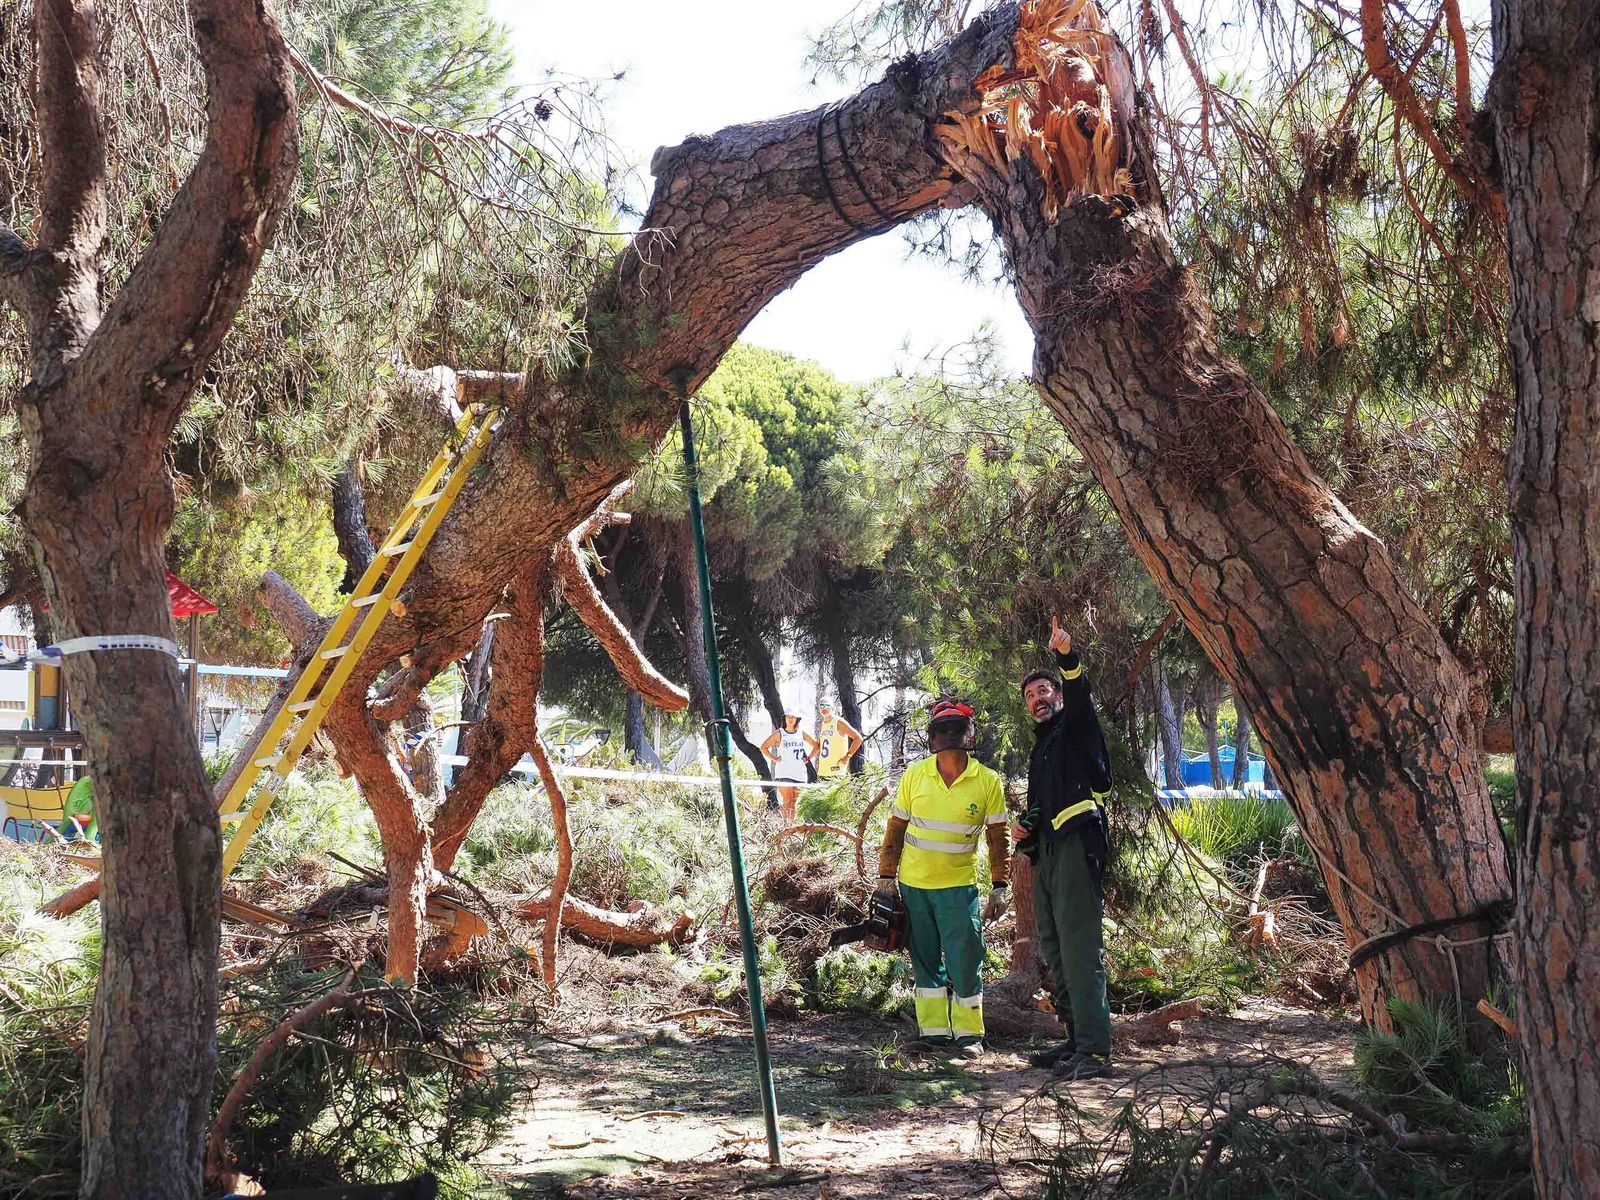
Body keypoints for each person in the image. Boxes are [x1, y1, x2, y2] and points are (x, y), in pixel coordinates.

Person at [876, 698, 1011, 1057]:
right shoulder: (915, 775)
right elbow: (895, 829)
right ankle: (934, 1033)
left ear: (969, 734)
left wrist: (1000, 885)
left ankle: (969, 1036)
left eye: (957, 728)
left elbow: (998, 837)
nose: (950, 735)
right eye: (943, 729)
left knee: (965, 960)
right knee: (924, 963)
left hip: (958, 889)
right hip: (915, 888)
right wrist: (886, 877)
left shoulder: (987, 781)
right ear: (932, 738)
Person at [1017, 616, 1115, 1080]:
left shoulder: (1075, 726)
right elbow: (1043, 808)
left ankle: (1096, 1051)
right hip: (1049, 856)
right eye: (1031, 695)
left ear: (1057, 696)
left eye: (1044, 691)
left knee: (1079, 949)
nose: (1038, 699)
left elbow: (1079, 696)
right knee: (1054, 949)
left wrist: (1066, 658)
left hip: (1078, 846)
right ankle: (1075, 1040)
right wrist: (1027, 829)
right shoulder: (1041, 750)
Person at [760, 711, 816, 822]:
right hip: (784, 771)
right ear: (785, 718)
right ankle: (786, 826)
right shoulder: (780, 733)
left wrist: (808, 758)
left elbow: (816, 746)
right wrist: (774, 758)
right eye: (788, 716)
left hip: (799, 772)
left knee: (795, 801)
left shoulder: (801, 733)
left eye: (793, 717)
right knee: (787, 800)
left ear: (797, 719)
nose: (790, 719)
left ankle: (792, 827)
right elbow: (763, 747)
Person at [814, 700, 864, 780]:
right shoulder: (822, 724)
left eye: (826, 705)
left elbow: (858, 738)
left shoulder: (839, 722)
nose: (824, 708)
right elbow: (819, 745)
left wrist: (848, 757)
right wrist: (808, 758)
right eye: (821, 705)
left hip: (836, 771)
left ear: (832, 707)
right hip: (823, 771)